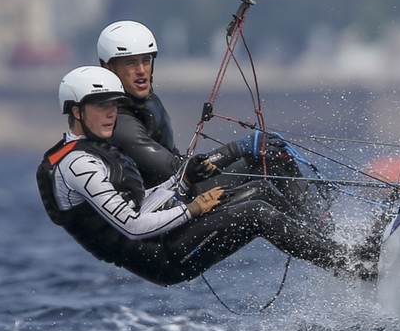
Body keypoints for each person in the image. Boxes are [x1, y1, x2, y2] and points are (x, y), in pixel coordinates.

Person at [36, 66, 375, 287]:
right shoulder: (80, 165)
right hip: (163, 259)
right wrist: (193, 207)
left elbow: (143, 204)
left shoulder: (99, 147)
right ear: (76, 112)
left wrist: (181, 182)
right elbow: (133, 226)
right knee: (257, 211)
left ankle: (346, 249)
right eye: (100, 107)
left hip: (167, 235)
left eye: (114, 105)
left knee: (262, 190)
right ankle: (354, 268)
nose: (110, 113)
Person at [95, 19, 331, 227]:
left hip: (186, 189)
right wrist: (235, 149)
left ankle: (328, 231)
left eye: (146, 61)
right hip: (168, 207)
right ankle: (330, 248)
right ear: (108, 69)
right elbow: (175, 172)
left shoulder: (147, 100)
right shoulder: (118, 121)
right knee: (262, 178)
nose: (141, 71)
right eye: (130, 64)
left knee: (273, 153)